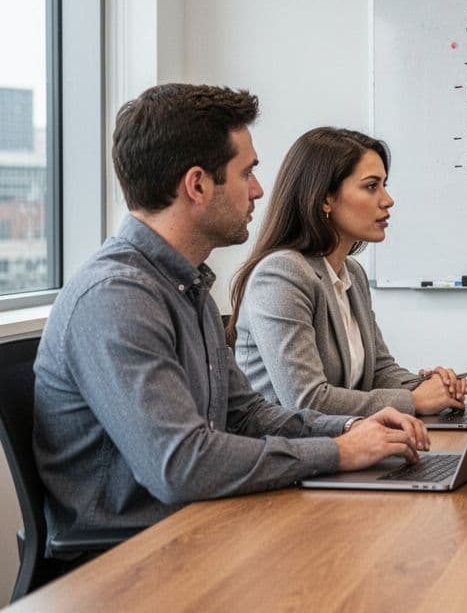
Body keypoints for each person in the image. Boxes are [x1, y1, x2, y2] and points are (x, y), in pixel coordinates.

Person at [34, 84, 429, 552]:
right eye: (248, 172)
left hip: (200, 526)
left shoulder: (187, 286)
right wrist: (337, 452)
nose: (259, 190)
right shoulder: (116, 298)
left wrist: (349, 429)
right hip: (131, 557)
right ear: (198, 185)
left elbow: (246, 415)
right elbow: (181, 465)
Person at [230, 127, 467, 416]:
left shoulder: (351, 274)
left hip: (343, 439)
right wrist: (415, 400)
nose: (387, 200)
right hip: (288, 444)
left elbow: (379, 371)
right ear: (325, 199)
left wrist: (431, 386)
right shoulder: (281, 276)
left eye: (384, 185)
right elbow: (306, 401)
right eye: (371, 186)